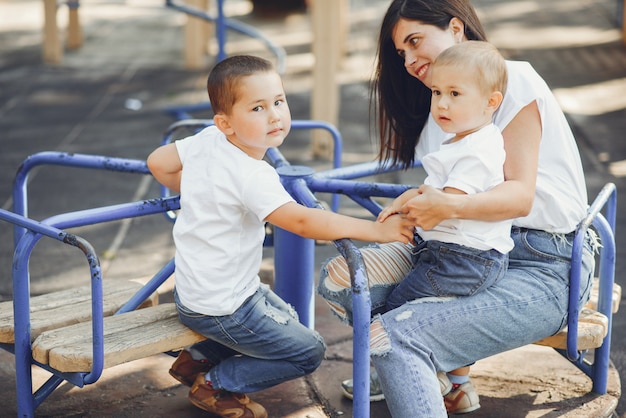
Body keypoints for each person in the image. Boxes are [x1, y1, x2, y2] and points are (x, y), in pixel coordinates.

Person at [317, 0, 597, 416]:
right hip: (457, 250)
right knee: (340, 278)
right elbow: (452, 187)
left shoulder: (510, 79)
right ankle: (443, 376)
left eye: (415, 42)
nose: (410, 61)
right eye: (401, 53)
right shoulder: (441, 109)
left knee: (391, 337)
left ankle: (419, 363)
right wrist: (412, 202)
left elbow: (518, 197)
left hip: (545, 259)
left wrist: (445, 205)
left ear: (455, 28)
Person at [147, 54, 414, 418]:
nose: (274, 115)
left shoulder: (208, 139)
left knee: (284, 313)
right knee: (307, 351)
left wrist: (198, 189)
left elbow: (157, 162)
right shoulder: (252, 175)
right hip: (223, 305)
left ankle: (195, 359)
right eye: (257, 108)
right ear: (225, 123)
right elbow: (302, 222)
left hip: (195, 293)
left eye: (278, 101)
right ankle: (216, 384)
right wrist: (376, 231)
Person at [380, 40, 512, 312]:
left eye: (455, 94)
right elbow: (437, 194)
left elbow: (443, 204)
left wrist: (406, 208)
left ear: (491, 102)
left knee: (393, 309)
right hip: (452, 253)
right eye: (437, 92)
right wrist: (407, 197)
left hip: (464, 259)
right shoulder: (465, 140)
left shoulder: (477, 150)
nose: (441, 103)